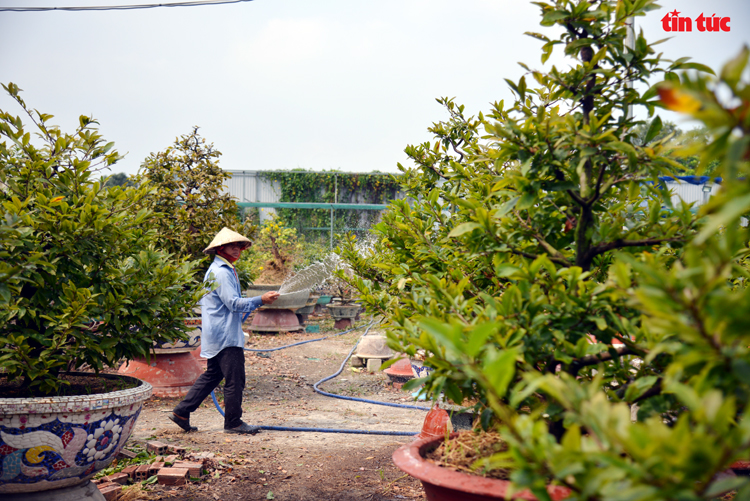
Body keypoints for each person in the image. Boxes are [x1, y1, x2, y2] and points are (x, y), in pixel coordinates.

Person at [169, 227, 280, 434]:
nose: (237, 249)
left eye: (239, 246)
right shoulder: (221, 272)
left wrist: (257, 302)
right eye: (232, 245)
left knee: (212, 375)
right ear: (221, 248)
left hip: (218, 333)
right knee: (235, 380)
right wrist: (260, 300)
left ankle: (181, 412)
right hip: (226, 336)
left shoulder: (223, 269)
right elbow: (233, 304)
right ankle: (234, 423)